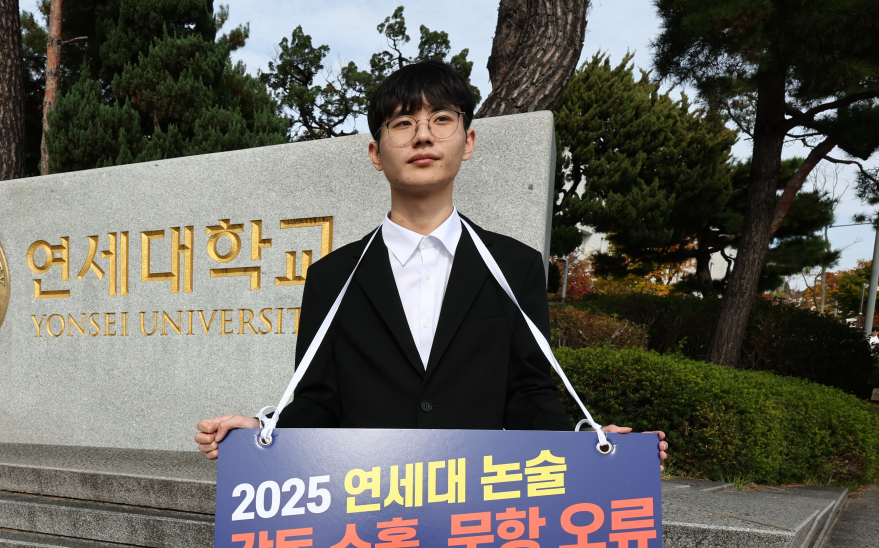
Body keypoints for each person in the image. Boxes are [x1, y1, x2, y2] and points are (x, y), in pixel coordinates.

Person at [195, 60, 668, 465]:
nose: (423, 134)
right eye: (402, 123)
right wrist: (259, 428)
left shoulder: (515, 266)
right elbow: (319, 402)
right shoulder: (332, 278)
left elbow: (529, 394)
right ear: (376, 154)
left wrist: (589, 447)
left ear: (468, 141)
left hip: (473, 506)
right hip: (366, 502)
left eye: (442, 118)